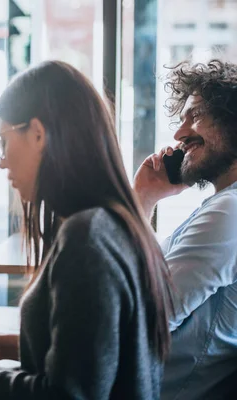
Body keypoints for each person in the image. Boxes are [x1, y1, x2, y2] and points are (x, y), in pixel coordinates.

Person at [0, 61, 172, 399]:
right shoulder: (112, 223)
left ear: (38, 134)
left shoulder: (86, 237)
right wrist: (5, 345)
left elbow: (68, 394)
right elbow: (93, 353)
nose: (1, 161)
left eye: (4, 141)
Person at [133, 59, 237, 400]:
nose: (178, 134)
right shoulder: (222, 206)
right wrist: (145, 198)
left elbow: (147, 320)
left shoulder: (229, 211)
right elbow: (145, 281)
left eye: (195, 115)